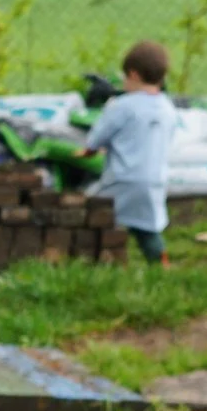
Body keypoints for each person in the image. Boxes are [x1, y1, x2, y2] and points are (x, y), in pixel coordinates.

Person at [85, 40, 177, 267]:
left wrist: (90, 149)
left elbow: (96, 139)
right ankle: (161, 264)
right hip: (155, 180)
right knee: (147, 229)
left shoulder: (121, 106)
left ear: (134, 75)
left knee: (92, 211)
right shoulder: (168, 108)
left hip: (122, 179)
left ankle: (96, 260)